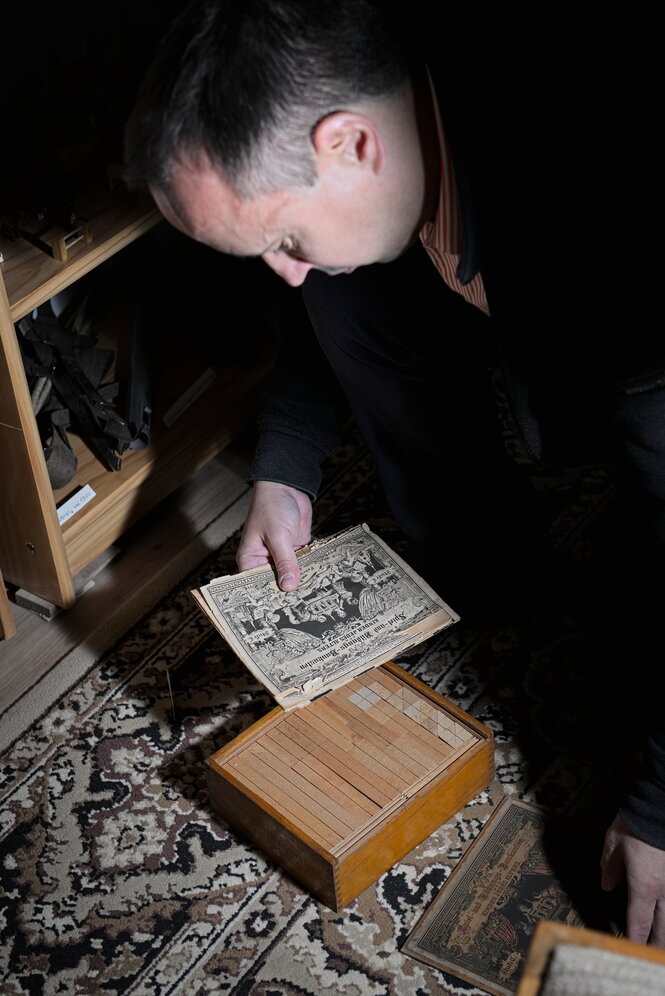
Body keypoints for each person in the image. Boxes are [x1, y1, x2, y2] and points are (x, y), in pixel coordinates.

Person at [123, 0, 665, 945]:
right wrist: (285, 469)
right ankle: (492, 567)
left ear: (350, 144)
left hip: (617, 317)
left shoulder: (607, 199)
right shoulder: (369, 131)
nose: (281, 275)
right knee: (345, 287)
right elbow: (320, 296)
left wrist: (659, 811)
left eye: (279, 242)